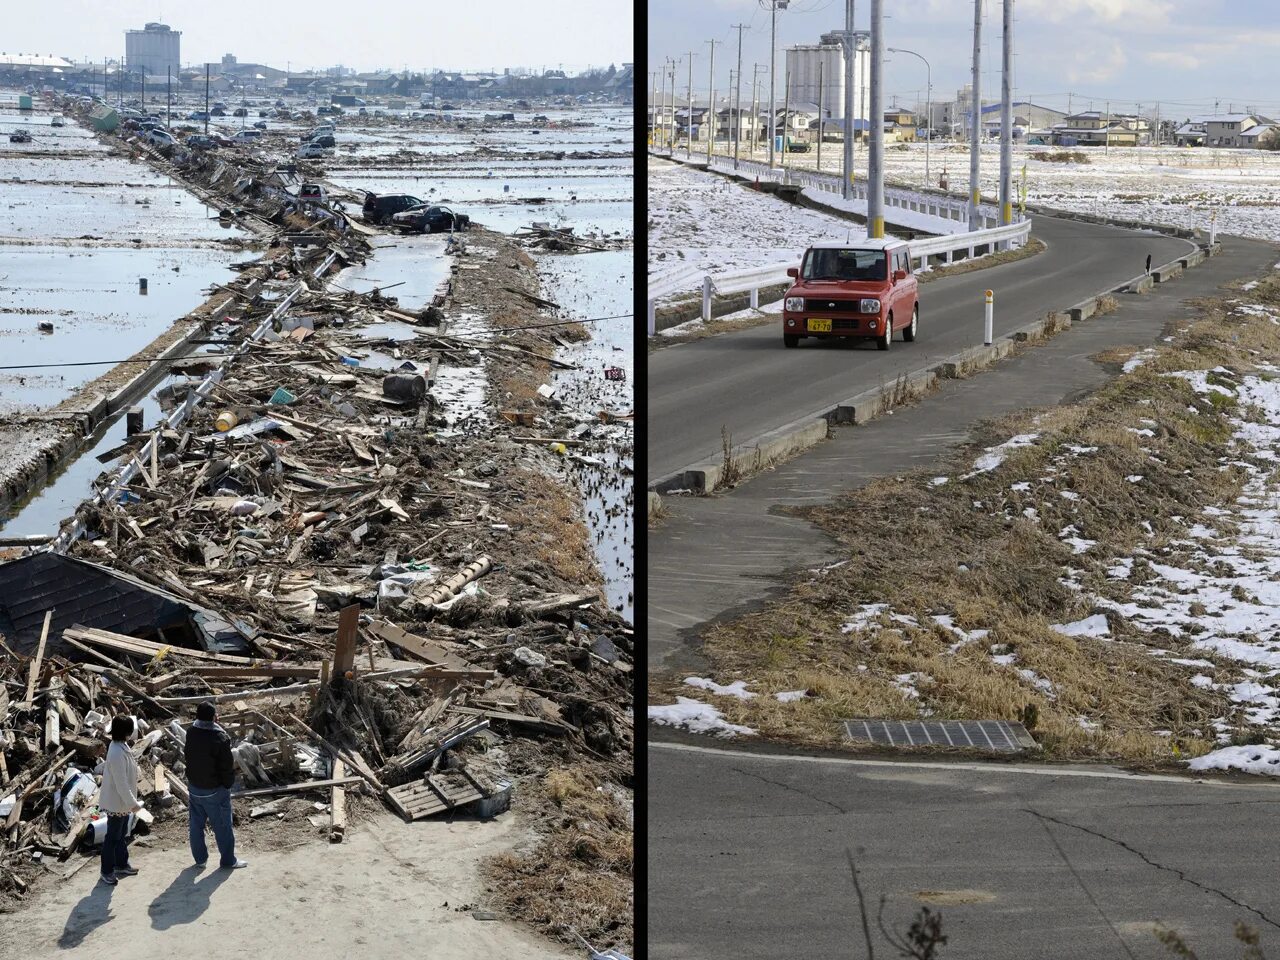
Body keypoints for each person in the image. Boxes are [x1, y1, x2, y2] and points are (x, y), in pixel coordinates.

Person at [184, 702, 247, 870]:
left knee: (196, 826)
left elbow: (188, 756)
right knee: (223, 826)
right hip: (214, 791)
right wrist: (227, 785)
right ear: (214, 718)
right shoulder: (220, 737)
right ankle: (228, 860)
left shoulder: (191, 732)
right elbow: (226, 767)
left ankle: (200, 860)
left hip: (194, 788)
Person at [97, 715, 142, 886]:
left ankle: (122, 864)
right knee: (113, 837)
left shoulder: (121, 746)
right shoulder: (116, 751)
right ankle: (106, 870)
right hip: (117, 802)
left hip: (122, 801)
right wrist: (134, 804)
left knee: (121, 835)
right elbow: (121, 783)